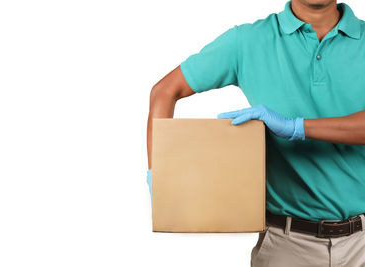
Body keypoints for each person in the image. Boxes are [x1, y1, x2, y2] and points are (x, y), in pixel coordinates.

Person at [146, 0, 365, 265]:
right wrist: (159, 176)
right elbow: (165, 91)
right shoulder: (247, 42)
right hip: (287, 246)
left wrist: (296, 127)